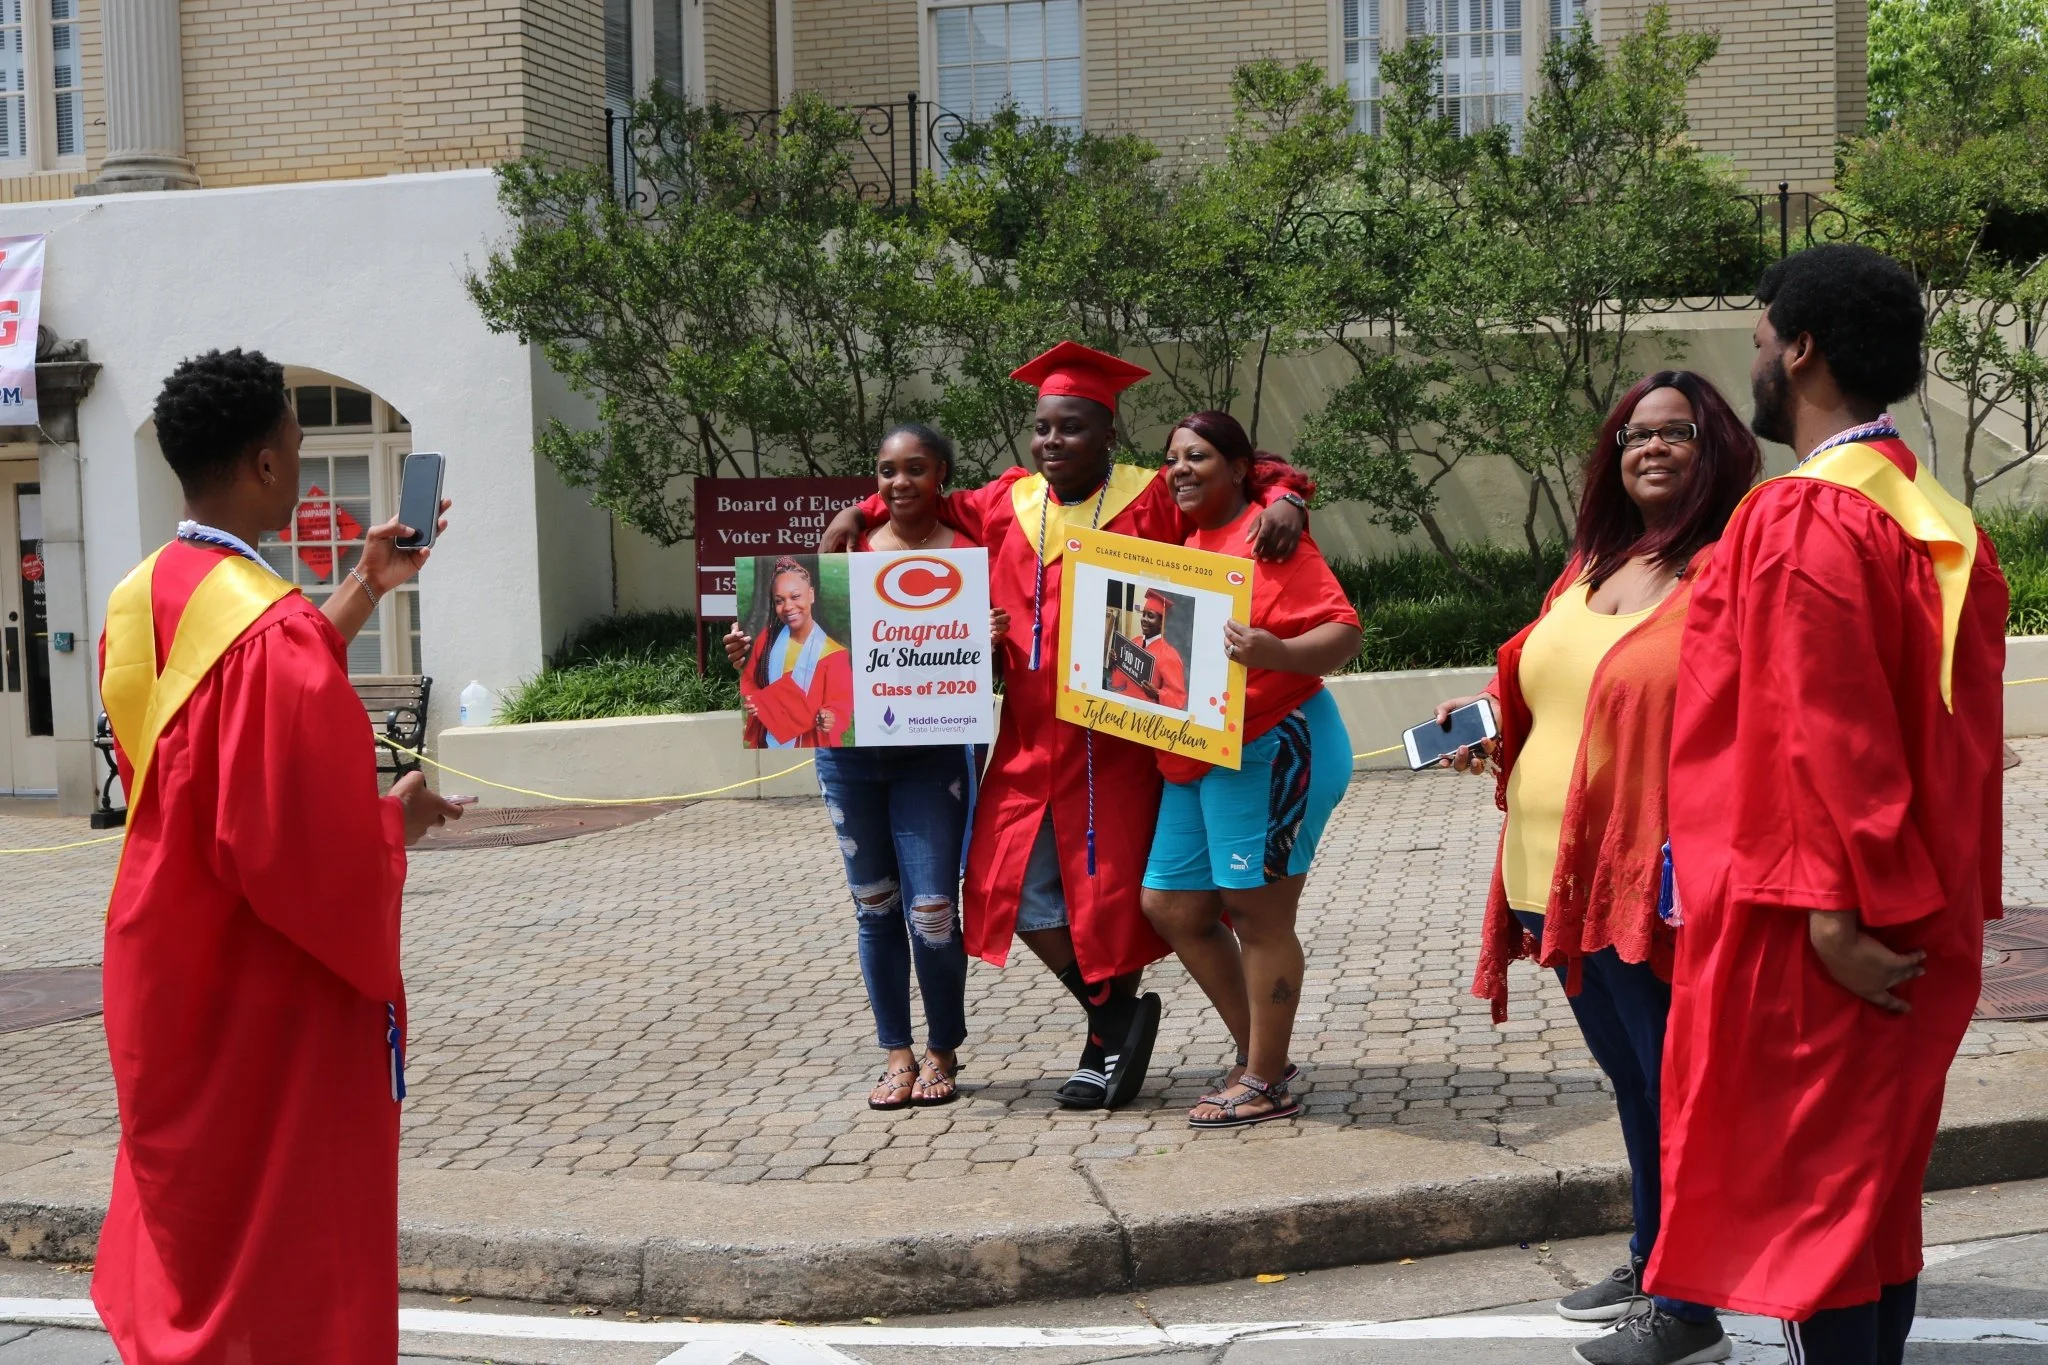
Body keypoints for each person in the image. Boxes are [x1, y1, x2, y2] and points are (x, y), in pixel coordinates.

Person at [1646, 245, 2007, 1365]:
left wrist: (1829, 916)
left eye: (1756, 343)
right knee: (1869, 1204)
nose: (1749, 365)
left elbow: (1822, 731)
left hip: (1821, 923)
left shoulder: (1805, 519)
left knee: (1809, 1219)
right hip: (1911, 904)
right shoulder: (1928, 515)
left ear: (1799, 350)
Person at [820, 341, 1310, 1110]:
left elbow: (1233, 478)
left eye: (1072, 427)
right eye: (1044, 427)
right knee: (1000, 887)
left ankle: (1109, 1045)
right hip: (1023, 734)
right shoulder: (1006, 501)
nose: (1053, 441)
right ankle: (1113, 1014)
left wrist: (1290, 496)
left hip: (1117, 738)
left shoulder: (1147, 495)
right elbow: (924, 496)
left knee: (1106, 896)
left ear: (1108, 434)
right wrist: (863, 508)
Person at [92, 348, 464, 1362]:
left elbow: (221, 727)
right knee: (280, 1250)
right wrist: (396, 819)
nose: (301, 464)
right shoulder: (265, 631)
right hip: (261, 978)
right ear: (262, 465)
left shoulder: (143, 597)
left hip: (169, 954)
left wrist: (362, 585)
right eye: (297, 448)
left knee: (198, 1227)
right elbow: (293, 843)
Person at [1437, 371, 1759, 1365]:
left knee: (1674, 1089)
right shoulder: (1591, 563)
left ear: (1716, 450)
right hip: (1552, 880)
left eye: (1676, 434)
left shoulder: (1727, 572)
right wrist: (1486, 727)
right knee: (1632, 1081)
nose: (1649, 449)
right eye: (1632, 434)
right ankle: (1651, 1251)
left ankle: (1686, 1298)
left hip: (1652, 889)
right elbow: (1561, 688)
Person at [726, 425, 1003, 1109]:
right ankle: (897, 1052)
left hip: (933, 759)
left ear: (943, 473)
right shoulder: (846, 554)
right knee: (875, 906)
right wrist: (748, 657)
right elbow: (798, 664)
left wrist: (991, 642)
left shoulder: (970, 555)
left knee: (933, 909)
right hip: (848, 760)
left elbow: (987, 675)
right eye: (887, 471)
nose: (900, 482)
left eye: (916, 468)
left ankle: (943, 1048)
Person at [1138, 412, 1360, 1128]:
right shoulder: (1191, 541)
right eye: (1171, 458)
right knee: (1172, 905)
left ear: (1240, 468)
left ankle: (1265, 1078)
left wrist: (1274, 650)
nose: (1179, 469)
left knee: (1258, 915)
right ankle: (1260, 1051)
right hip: (1201, 752)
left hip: (1273, 745)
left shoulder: (1271, 534)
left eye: (1197, 456)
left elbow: (1343, 632)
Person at [737, 556, 854, 747]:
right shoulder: (767, 640)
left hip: (809, 743)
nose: (788, 607)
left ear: (811, 595)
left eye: (795, 596)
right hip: (768, 739)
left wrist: (830, 716)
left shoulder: (834, 654)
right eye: (779, 601)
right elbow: (750, 679)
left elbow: (841, 703)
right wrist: (755, 700)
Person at [1106, 589, 1190, 709]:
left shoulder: (1170, 655)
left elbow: (1178, 700)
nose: (1144, 619)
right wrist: (1114, 663)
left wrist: (1157, 694)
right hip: (1123, 703)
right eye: (1144, 614)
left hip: (1146, 714)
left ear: (1161, 623)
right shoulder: (1135, 642)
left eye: (1150, 616)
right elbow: (1118, 682)